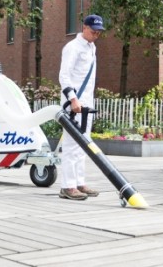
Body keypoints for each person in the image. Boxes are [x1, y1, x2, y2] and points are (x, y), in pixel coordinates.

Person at [58, 14, 104, 200]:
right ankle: (67, 186)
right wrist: (72, 98)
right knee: (71, 145)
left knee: (84, 144)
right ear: (84, 27)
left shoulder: (91, 47)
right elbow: (64, 75)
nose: (96, 35)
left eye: (99, 32)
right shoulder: (72, 47)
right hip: (74, 104)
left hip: (86, 103)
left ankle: (79, 182)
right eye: (93, 31)